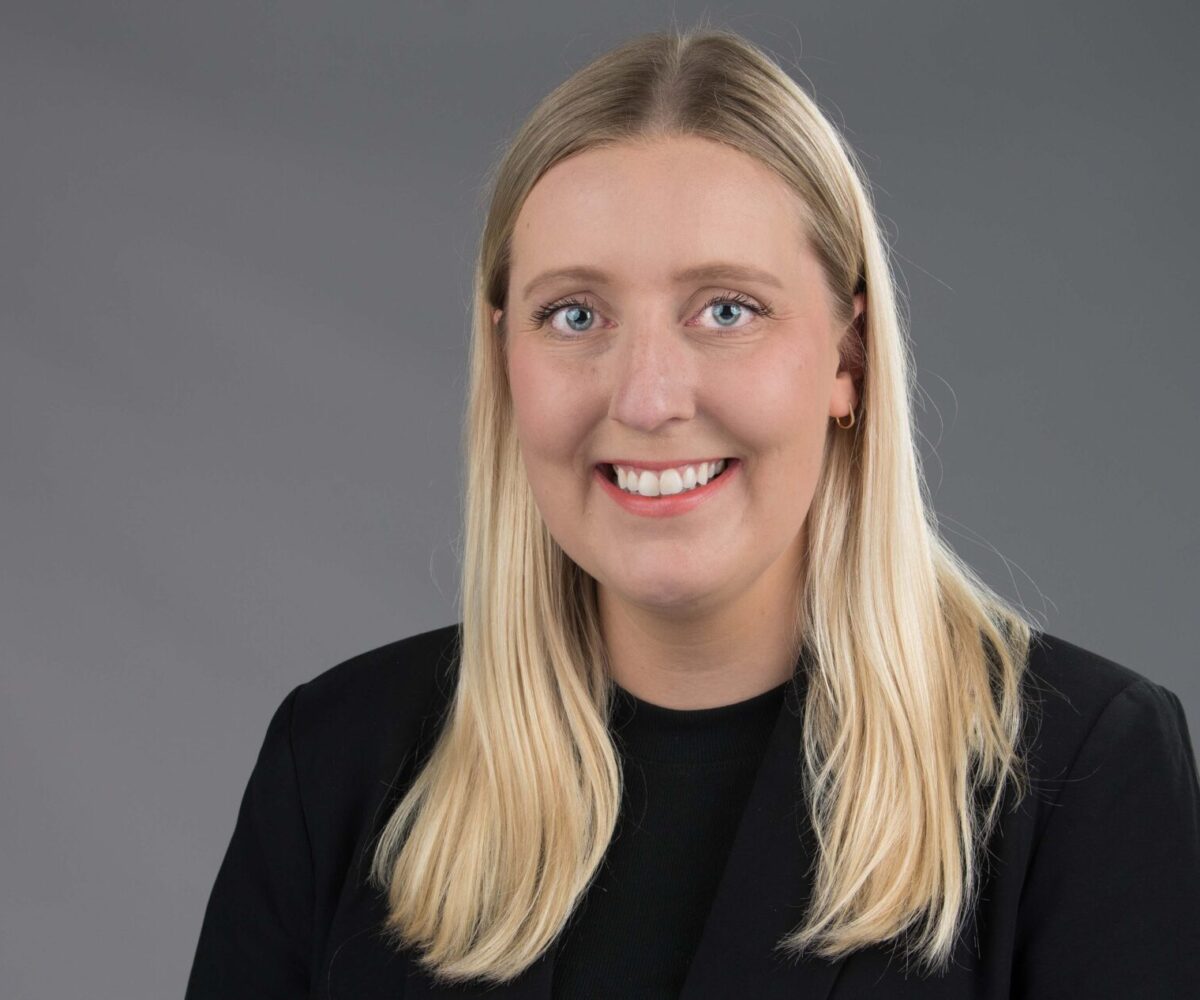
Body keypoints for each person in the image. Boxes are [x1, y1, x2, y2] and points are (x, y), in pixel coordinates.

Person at [184, 25, 1200, 999]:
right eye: (575, 314)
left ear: (846, 356)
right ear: (505, 356)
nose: (646, 396)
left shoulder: (1080, 775)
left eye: (726, 310)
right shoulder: (337, 765)